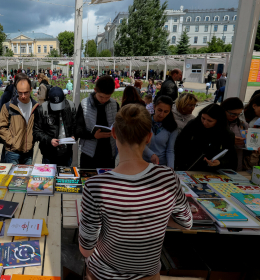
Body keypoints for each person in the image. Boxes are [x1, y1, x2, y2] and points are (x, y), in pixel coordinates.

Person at [78, 104, 192, 280]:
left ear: (114, 133)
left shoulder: (96, 186)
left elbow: (86, 250)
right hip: (148, 274)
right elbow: (186, 223)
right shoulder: (168, 177)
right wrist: (156, 214)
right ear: (149, 137)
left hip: (104, 274)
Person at [175, 104, 237, 171]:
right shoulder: (193, 125)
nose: (204, 122)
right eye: (203, 118)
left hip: (210, 171)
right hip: (187, 167)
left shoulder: (226, 134)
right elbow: (179, 143)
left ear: (218, 121)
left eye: (209, 121)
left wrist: (220, 162)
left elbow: (231, 157)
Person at [75, 76, 120, 169]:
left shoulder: (115, 105)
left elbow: (119, 126)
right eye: (101, 96)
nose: (103, 100)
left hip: (108, 154)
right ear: (95, 90)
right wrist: (93, 135)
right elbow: (78, 130)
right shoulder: (84, 104)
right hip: (89, 155)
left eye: (107, 97)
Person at [0, 76, 39, 165]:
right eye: (20, 93)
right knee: (11, 177)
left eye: (26, 93)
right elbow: (1, 127)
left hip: (28, 151)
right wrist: (11, 141)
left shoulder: (36, 107)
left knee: (26, 177)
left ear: (31, 89)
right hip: (12, 151)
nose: (23, 96)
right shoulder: (8, 106)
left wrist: (33, 140)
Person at [33, 87, 76, 166]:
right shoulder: (41, 109)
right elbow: (36, 131)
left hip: (66, 153)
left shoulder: (70, 106)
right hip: (49, 153)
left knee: (64, 177)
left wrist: (73, 135)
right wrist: (49, 140)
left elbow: (75, 125)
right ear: (49, 99)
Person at [143, 96, 178, 168]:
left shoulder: (172, 127)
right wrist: (151, 154)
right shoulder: (144, 121)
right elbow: (139, 143)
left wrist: (171, 169)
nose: (162, 114)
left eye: (166, 112)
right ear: (154, 107)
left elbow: (170, 150)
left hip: (161, 165)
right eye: (159, 110)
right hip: (143, 162)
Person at [220, 97, 249, 171]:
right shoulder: (214, 123)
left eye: (238, 114)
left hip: (236, 165)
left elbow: (248, 144)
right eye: (232, 114)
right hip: (217, 163)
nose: (235, 117)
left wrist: (254, 147)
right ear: (223, 110)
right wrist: (228, 141)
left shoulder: (243, 125)